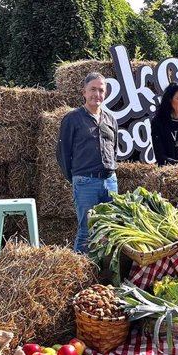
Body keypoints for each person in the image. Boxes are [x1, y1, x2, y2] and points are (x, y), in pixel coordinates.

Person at [57, 72, 118, 253]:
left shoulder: (111, 119)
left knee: (110, 230)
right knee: (86, 231)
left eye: (101, 90)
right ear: (84, 92)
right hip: (86, 182)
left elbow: (114, 150)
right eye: (93, 89)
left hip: (110, 181)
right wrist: (77, 177)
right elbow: (62, 154)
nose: (97, 94)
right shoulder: (72, 119)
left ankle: (104, 274)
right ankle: (79, 276)